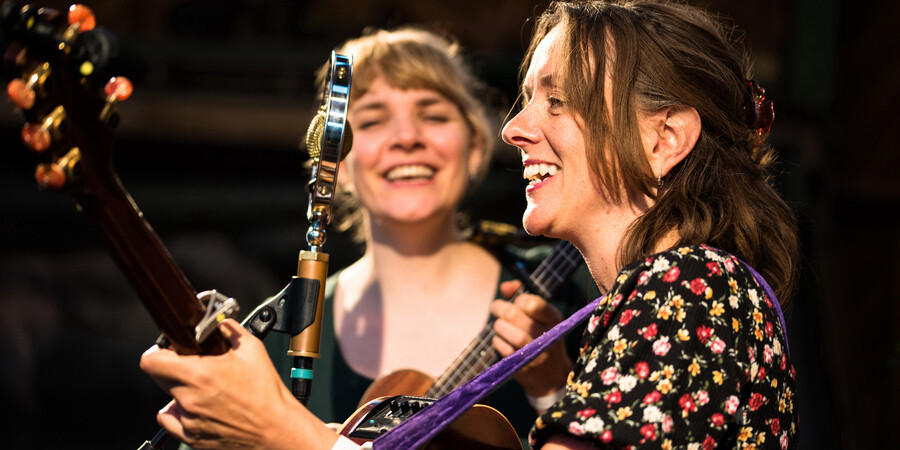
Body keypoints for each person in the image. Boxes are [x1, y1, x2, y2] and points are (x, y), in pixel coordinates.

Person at [140, 1, 800, 448]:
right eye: (522, 101)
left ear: (664, 138)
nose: (515, 128)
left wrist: (283, 428)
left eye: (558, 101)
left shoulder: (691, 288)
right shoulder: (677, 294)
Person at [262, 26, 591, 439]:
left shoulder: (577, 293)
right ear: (339, 163)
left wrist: (554, 389)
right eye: (374, 120)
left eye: (433, 116)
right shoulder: (283, 331)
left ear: (474, 147)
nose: (407, 138)